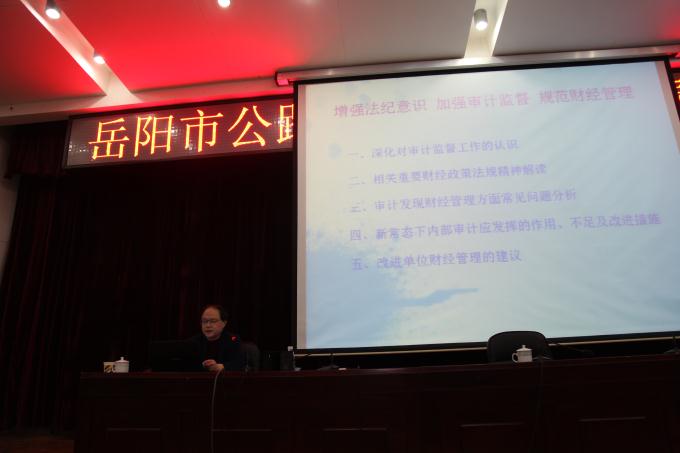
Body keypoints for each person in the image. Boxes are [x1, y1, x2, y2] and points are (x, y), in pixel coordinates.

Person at [188, 304, 245, 372]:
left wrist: (221, 367)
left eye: (213, 321)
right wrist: (202, 366)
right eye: (204, 321)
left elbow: (239, 364)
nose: (208, 325)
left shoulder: (233, 340)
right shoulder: (193, 342)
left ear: (224, 323)